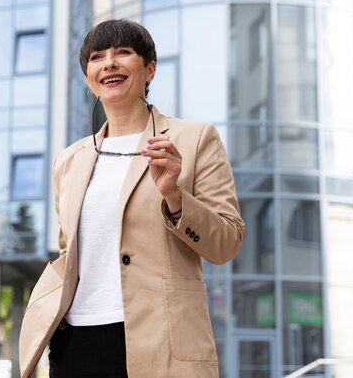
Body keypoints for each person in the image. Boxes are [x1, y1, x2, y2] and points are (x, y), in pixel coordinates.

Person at [19, 19, 244, 378]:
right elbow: (69, 253)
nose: (109, 62)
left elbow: (226, 243)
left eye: (123, 52)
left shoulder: (195, 138)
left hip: (160, 340)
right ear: (89, 76)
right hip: (76, 341)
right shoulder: (69, 159)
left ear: (149, 69)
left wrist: (174, 195)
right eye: (97, 57)